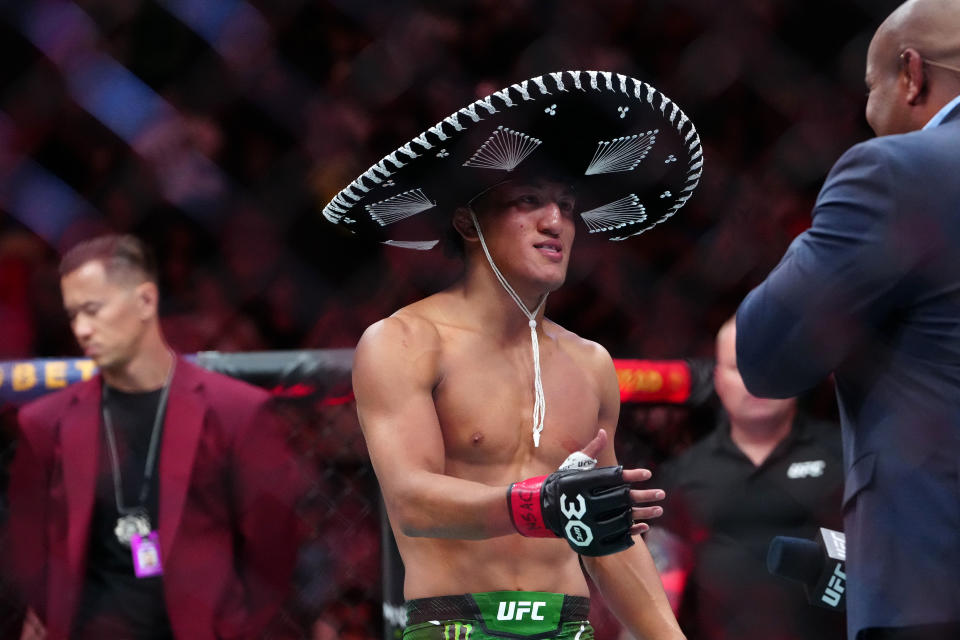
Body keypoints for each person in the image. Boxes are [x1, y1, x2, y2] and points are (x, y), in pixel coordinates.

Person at [324, 70, 704, 639]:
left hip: (567, 627)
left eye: (568, 206)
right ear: (467, 222)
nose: (556, 222)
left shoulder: (591, 364)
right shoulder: (404, 341)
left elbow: (605, 536)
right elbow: (412, 502)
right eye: (529, 201)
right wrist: (538, 505)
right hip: (457, 626)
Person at [734, 1, 960, 638]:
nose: (869, 111)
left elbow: (768, 354)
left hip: (934, 580)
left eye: (872, 88)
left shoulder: (893, 173)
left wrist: (821, 245)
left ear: (911, 75)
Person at [3, 234, 306, 640]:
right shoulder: (45, 422)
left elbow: (273, 548)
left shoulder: (236, 413)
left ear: (145, 301)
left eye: (93, 310)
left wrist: (232, 626)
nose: (82, 329)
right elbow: (28, 551)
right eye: (73, 315)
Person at [647, 318, 844, 640]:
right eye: (739, 367)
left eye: (770, 364)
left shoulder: (843, 456)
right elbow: (661, 577)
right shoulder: (685, 473)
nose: (757, 378)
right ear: (718, 380)